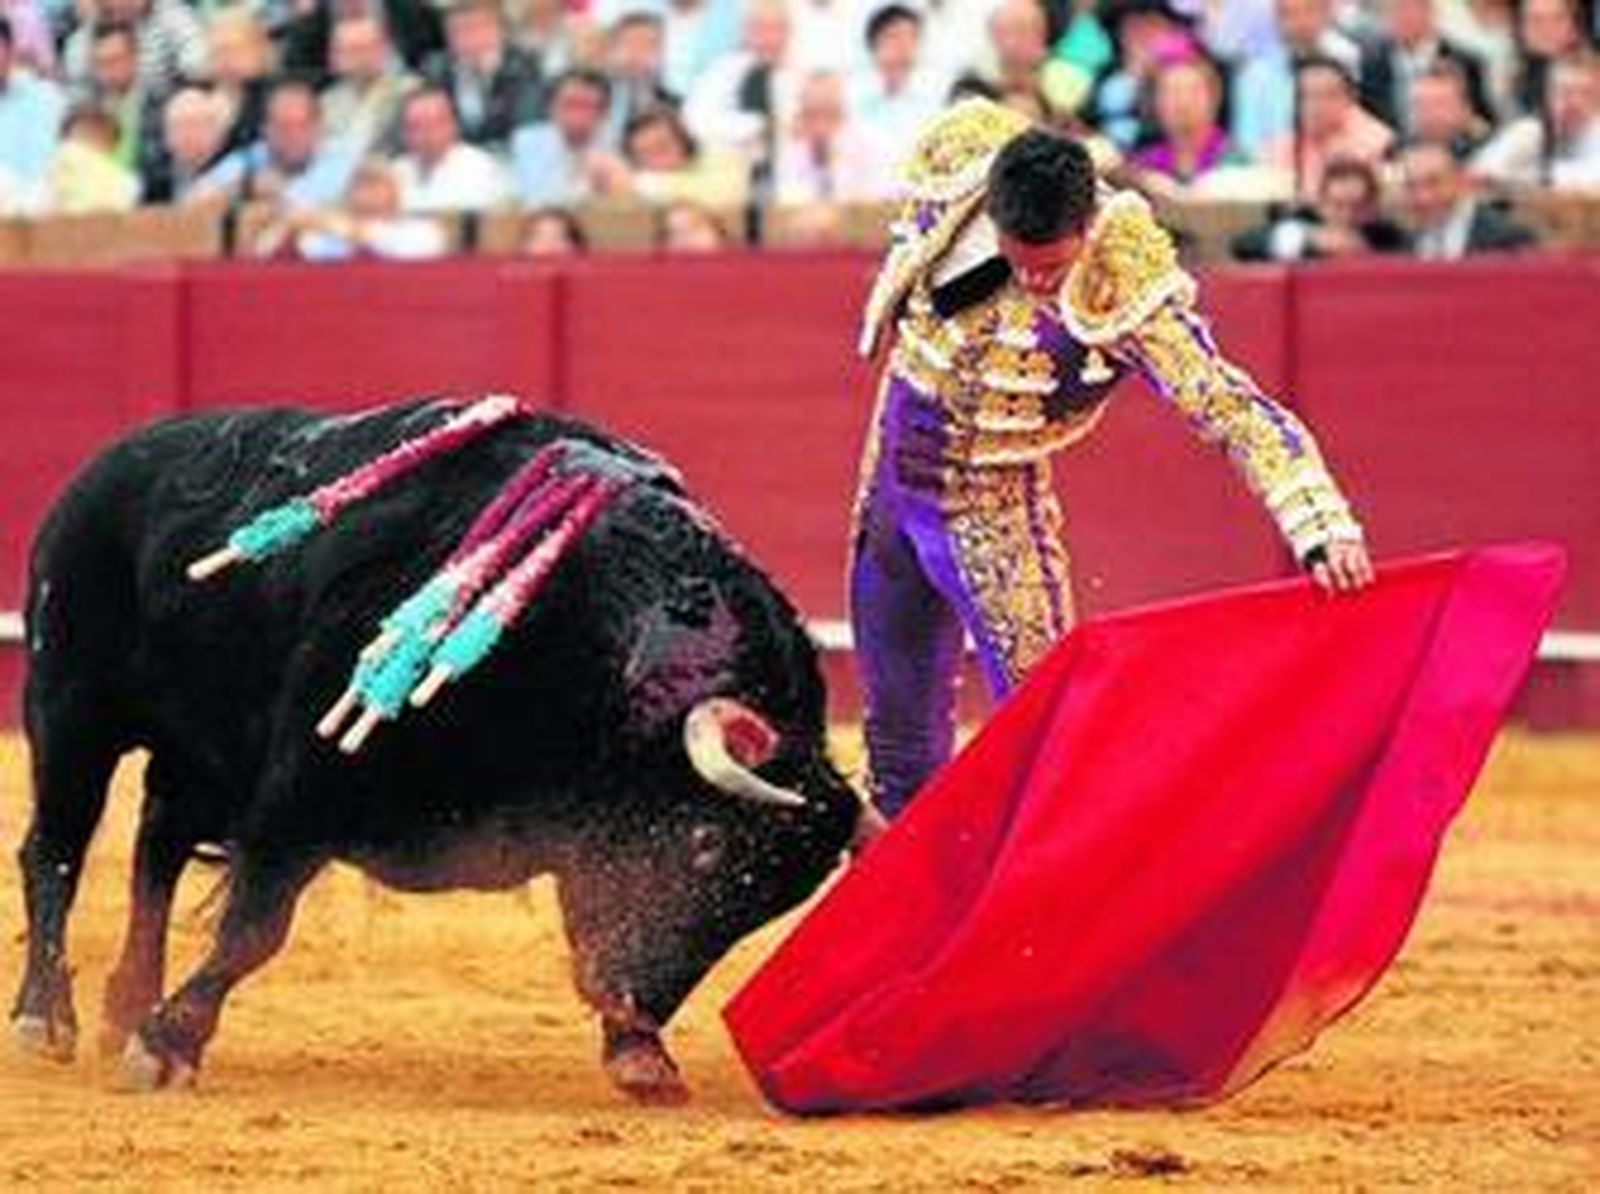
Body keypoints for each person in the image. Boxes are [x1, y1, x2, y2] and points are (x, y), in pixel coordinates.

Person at [850, 99, 1372, 817]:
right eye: (1018, 259)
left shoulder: (1124, 277)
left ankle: (1047, 913)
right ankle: (902, 911)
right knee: (894, 728)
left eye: (1052, 267)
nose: (1035, 281)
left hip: (990, 504)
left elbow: (1227, 405)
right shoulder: (963, 174)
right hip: (888, 484)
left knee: (1046, 732)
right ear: (993, 212)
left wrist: (1319, 521)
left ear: (1087, 227)